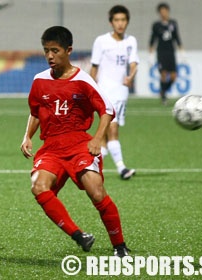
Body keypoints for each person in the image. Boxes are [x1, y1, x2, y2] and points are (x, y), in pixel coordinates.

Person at [20, 26, 130, 257]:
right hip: (51, 148)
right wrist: (27, 136)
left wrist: (98, 140)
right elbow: (36, 111)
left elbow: (107, 110)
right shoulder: (39, 81)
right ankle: (79, 236)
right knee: (38, 187)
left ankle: (120, 246)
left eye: (55, 50)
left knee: (96, 192)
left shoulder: (83, 80)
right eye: (46, 50)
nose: (50, 56)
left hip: (80, 144)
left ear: (68, 50)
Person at [89, 5, 138, 180]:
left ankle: (90, 166)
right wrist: (90, 91)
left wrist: (131, 76)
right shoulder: (101, 41)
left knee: (104, 136)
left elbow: (134, 64)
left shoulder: (131, 41)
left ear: (127, 22)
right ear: (111, 22)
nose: (120, 24)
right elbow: (94, 67)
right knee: (113, 130)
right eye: (117, 20)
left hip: (121, 93)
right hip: (105, 92)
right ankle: (122, 168)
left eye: (123, 20)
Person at [149, 2, 183, 105]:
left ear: (168, 11)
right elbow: (152, 39)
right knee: (163, 74)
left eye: (165, 11)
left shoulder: (173, 23)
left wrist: (182, 52)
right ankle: (163, 97)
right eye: (161, 11)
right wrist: (150, 55)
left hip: (171, 52)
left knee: (173, 76)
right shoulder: (156, 25)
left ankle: (163, 91)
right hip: (161, 52)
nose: (164, 13)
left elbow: (177, 37)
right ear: (159, 13)